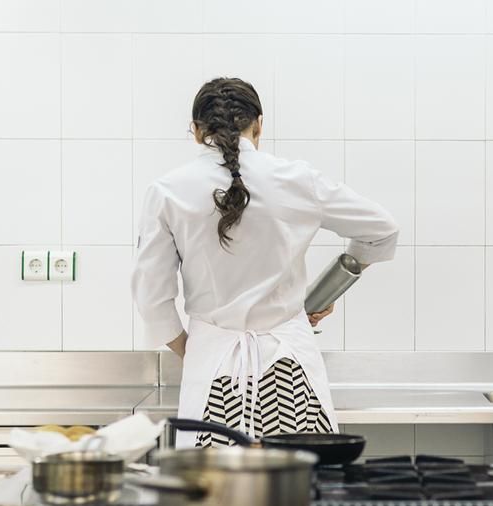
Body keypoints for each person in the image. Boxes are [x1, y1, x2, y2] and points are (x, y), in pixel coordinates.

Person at [132, 77, 399, 447]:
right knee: (299, 492)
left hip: (213, 370)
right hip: (291, 368)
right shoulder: (298, 180)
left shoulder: (167, 191)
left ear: (196, 132)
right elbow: (382, 229)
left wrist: (192, 350)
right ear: (258, 124)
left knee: (214, 495)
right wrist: (332, 286)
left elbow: (151, 298)